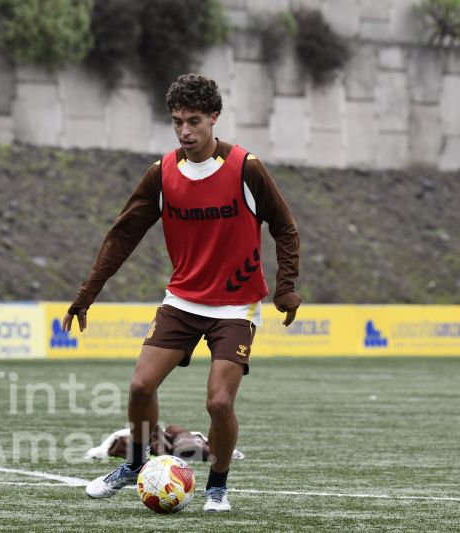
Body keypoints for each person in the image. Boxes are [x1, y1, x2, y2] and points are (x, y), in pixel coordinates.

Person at [63, 73, 301, 512]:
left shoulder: (246, 168)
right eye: (177, 122)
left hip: (236, 306)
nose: (185, 131)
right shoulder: (162, 174)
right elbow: (123, 236)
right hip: (182, 301)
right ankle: (135, 464)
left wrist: (285, 287)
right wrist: (87, 293)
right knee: (140, 386)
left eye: (194, 121)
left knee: (219, 402)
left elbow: (284, 227)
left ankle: (217, 487)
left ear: (214, 117)